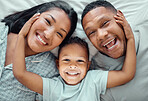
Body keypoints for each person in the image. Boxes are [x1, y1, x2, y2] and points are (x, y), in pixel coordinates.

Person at [12, 8, 136, 100]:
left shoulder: (93, 80)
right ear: (58, 64)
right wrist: (22, 36)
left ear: (88, 66)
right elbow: (20, 73)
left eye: (80, 61)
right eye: (66, 60)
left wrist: (130, 38)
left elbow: (127, 74)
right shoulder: (51, 87)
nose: (73, 66)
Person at [0, 1, 77, 100]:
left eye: (59, 34)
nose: (48, 34)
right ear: (34, 16)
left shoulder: (51, 74)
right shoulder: (2, 31)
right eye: (48, 21)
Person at [81, 0, 148, 101]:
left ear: (120, 16)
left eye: (105, 23)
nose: (101, 35)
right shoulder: (101, 80)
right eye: (92, 32)